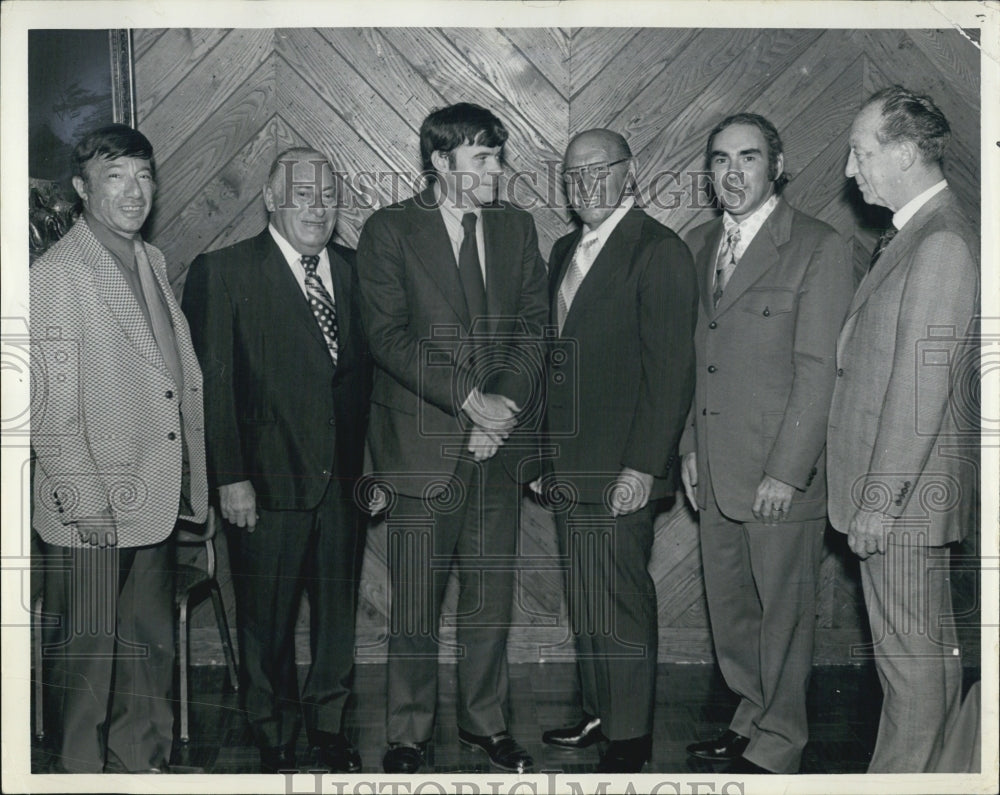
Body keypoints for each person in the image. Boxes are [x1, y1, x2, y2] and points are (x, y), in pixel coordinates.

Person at [356, 103, 548, 774]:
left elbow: (533, 325)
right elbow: (387, 335)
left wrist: (505, 410)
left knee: (489, 596)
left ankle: (485, 724)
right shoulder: (389, 230)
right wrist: (471, 400)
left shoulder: (518, 228)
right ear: (441, 163)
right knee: (415, 599)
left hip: (497, 446)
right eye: (483, 158)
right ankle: (406, 732)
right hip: (420, 447)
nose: (498, 169)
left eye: (499, 155)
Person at [182, 147, 372, 774]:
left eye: (327, 194)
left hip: (343, 484)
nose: (317, 207)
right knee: (265, 622)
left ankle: (328, 727)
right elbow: (212, 384)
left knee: (336, 621)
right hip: (262, 484)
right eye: (302, 193)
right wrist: (229, 477)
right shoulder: (225, 271)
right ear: (270, 199)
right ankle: (272, 732)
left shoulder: (353, 269)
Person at [679, 113, 854, 774]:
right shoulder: (699, 244)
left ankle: (780, 740)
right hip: (715, 467)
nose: (732, 172)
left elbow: (819, 372)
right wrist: (690, 447)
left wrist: (788, 470)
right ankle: (749, 716)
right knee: (732, 606)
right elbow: (695, 362)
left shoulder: (817, 246)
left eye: (748, 157)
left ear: (777, 166)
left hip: (777, 473)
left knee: (782, 611)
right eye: (720, 159)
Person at [31, 123, 208, 773]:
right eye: (116, 177)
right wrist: (86, 503)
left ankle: (142, 766)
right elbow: (48, 407)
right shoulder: (58, 275)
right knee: (88, 660)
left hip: (151, 495)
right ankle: (79, 775)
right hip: (95, 510)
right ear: (81, 188)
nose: (135, 191)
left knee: (146, 646)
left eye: (144, 175)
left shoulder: (150, 260)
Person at [535, 129, 697, 773]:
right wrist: (545, 460)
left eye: (600, 170)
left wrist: (642, 466)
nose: (586, 185)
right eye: (573, 175)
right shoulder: (563, 249)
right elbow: (556, 365)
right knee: (587, 594)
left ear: (630, 173)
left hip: (623, 466)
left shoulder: (659, 251)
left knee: (621, 598)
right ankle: (603, 708)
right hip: (569, 467)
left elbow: (670, 374)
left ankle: (629, 741)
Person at [828, 86, 978, 773]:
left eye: (861, 152)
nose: (851, 170)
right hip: (909, 498)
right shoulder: (922, 231)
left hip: (903, 501)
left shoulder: (941, 240)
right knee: (924, 666)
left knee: (910, 675)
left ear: (908, 152)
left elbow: (920, 391)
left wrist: (879, 503)